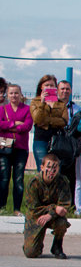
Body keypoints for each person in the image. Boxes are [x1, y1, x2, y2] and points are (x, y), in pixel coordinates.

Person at [23, 153, 71, 259]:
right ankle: (36, 243)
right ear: (42, 167)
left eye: (55, 168)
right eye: (48, 167)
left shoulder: (62, 182)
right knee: (31, 253)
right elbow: (33, 208)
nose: (51, 171)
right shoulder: (34, 183)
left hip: (53, 217)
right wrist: (53, 209)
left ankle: (57, 246)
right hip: (36, 217)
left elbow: (64, 208)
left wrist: (50, 215)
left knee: (62, 222)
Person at [0, 83, 33, 215]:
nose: (14, 95)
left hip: (20, 148)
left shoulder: (27, 109)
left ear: (20, 94)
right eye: (11, 93)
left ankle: (17, 209)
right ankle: (1, 207)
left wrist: (11, 128)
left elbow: (27, 126)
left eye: (16, 93)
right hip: (4, 148)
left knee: (18, 179)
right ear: (7, 95)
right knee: (3, 177)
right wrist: (14, 124)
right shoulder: (2, 109)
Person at [29, 75, 66, 173]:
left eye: (52, 85)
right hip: (41, 139)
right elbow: (37, 119)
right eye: (47, 85)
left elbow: (64, 121)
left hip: (57, 140)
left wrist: (47, 120)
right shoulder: (35, 102)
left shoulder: (61, 104)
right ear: (41, 87)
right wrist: (42, 102)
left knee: (56, 170)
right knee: (42, 169)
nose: (49, 88)